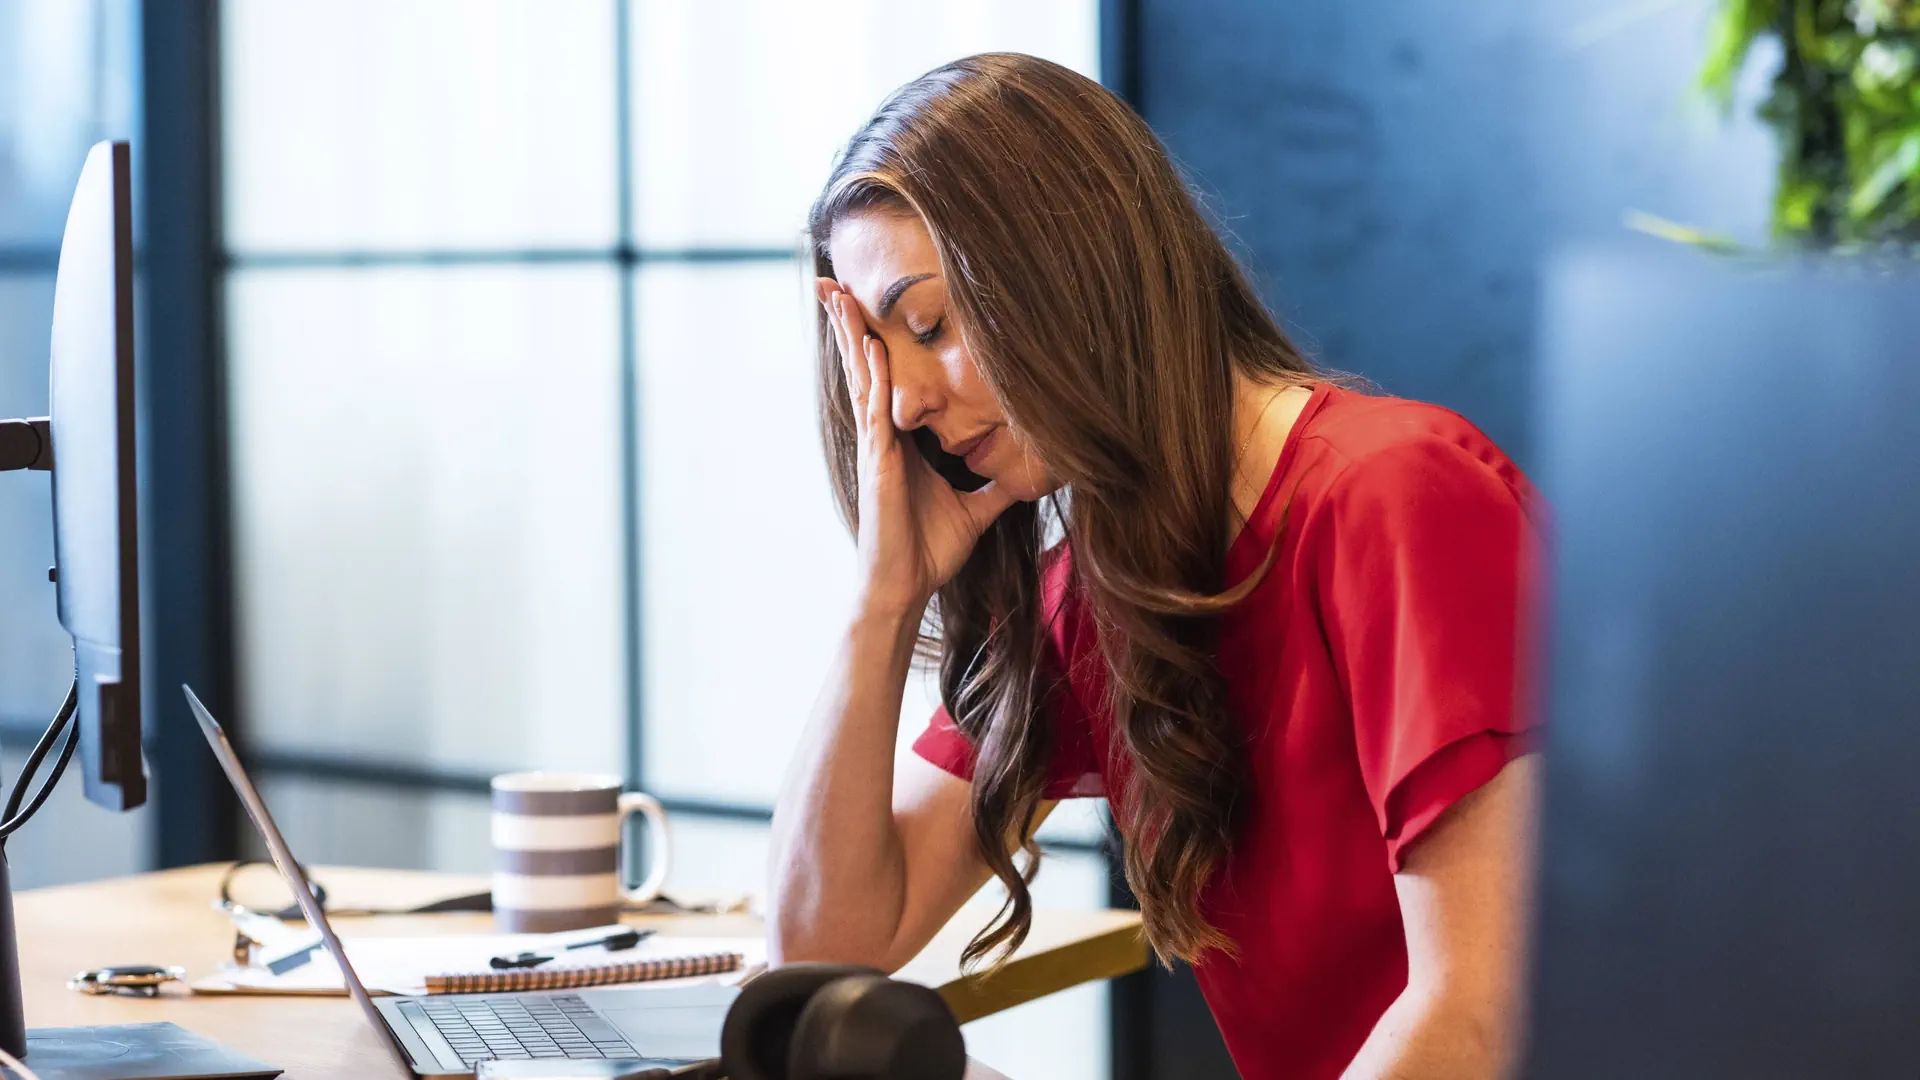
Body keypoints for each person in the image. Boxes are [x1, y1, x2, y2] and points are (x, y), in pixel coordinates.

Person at [769, 53, 1541, 1080]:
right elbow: (825, 953)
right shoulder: (1101, 589)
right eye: (879, 357)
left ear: (1074, 266)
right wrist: (882, 599)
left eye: (930, 325)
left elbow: (1476, 1020)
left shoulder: (1399, 495)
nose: (904, 405)